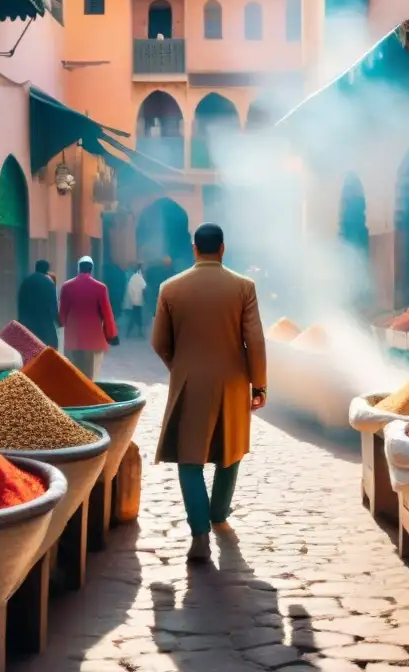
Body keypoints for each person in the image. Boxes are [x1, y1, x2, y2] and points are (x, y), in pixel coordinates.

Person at [151, 223, 267, 563]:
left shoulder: (170, 288)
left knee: (190, 458)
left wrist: (181, 365)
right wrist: (258, 384)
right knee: (229, 450)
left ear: (194, 249)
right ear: (222, 249)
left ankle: (199, 533)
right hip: (233, 381)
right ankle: (218, 515)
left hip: (189, 379)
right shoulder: (244, 287)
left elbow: (159, 343)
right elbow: (255, 341)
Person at [59, 255, 119, 380]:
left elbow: (62, 315)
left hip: (73, 339)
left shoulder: (67, 286)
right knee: (92, 378)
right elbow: (107, 314)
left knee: (74, 376)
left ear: (78, 268)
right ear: (92, 269)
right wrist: (112, 334)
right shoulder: (100, 287)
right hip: (94, 339)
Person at [17, 260, 59, 349]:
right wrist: (58, 321)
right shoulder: (48, 283)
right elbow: (52, 305)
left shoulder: (26, 281)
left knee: (29, 349)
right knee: (48, 350)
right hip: (44, 325)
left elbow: (20, 302)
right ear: (47, 270)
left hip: (27, 322)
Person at [124, 263, 147, 338]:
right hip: (137, 300)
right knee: (136, 316)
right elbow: (144, 287)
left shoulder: (133, 277)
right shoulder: (139, 277)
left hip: (134, 300)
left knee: (135, 316)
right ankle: (137, 332)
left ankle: (130, 332)